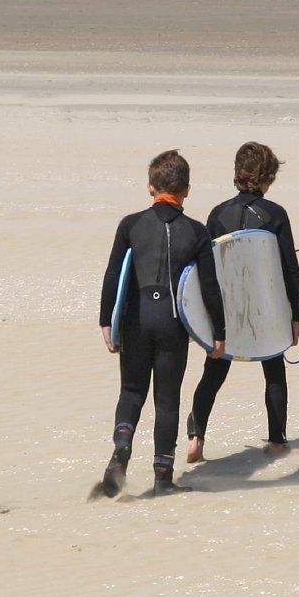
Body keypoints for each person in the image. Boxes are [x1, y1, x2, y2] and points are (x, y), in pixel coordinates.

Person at [98, 150, 226, 496]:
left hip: (136, 319)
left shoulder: (130, 224)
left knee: (131, 390)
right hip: (173, 323)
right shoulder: (197, 232)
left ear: (150, 186)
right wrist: (219, 333)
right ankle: (162, 477)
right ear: (187, 190)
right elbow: (210, 288)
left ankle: (122, 444)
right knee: (166, 401)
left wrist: (107, 322)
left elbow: (114, 276)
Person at [185, 142, 299, 462]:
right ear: (268, 176)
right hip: (266, 309)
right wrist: (296, 315)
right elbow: (289, 268)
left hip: (226, 310)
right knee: (274, 369)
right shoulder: (276, 214)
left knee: (214, 371)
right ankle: (278, 441)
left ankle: (196, 436)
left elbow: (206, 268)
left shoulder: (217, 213)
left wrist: (206, 319)